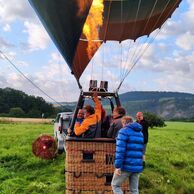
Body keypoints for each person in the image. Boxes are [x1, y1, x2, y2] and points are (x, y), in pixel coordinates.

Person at [111, 116, 144, 194]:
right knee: (134, 190)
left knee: (115, 185)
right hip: (137, 165)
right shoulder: (140, 133)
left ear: (124, 123)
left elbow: (120, 150)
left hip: (126, 165)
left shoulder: (123, 131)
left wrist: (118, 166)